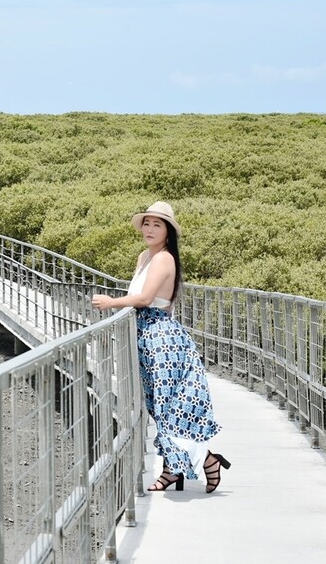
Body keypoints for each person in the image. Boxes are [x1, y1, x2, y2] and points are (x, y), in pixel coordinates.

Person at [92, 201, 230, 493]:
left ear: (168, 232)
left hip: (161, 339)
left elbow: (144, 299)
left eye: (157, 224)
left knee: (167, 406)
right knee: (157, 405)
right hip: (144, 335)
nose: (150, 229)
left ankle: (201, 460)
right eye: (147, 223)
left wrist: (110, 303)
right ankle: (181, 466)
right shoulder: (144, 256)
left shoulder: (165, 259)